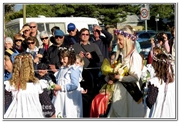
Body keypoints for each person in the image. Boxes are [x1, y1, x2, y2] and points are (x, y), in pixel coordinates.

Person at [107, 26, 144, 117]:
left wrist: (118, 77)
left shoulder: (134, 56)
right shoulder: (120, 55)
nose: (117, 42)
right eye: (117, 39)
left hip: (130, 94)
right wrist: (109, 77)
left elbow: (136, 77)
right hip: (119, 91)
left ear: (127, 40)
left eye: (120, 39)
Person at [4, 52, 55, 118]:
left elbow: (5, 106)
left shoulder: (9, 85)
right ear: (31, 66)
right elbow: (49, 109)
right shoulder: (37, 85)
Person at [72, 28, 104, 117]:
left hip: (92, 75)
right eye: (83, 34)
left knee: (91, 97)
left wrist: (92, 56)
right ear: (79, 35)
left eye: (87, 34)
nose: (85, 36)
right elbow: (69, 60)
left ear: (89, 36)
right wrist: (78, 57)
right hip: (79, 74)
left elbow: (101, 58)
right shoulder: (75, 46)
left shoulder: (94, 46)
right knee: (81, 97)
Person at [52, 47, 83, 118]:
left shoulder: (73, 69)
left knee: (69, 113)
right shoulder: (62, 69)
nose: (62, 60)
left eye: (64, 59)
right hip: (60, 97)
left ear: (70, 58)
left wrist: (61, 87)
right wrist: (55, 88)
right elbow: (59, 81)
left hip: (69, 98)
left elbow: (75, 85)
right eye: (61, 58)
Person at [144, 53, 175, 118]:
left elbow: (150, 102)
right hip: (172, 113)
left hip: (159, 114)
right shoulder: (173, 81)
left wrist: (146, 96)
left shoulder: (155, 82)